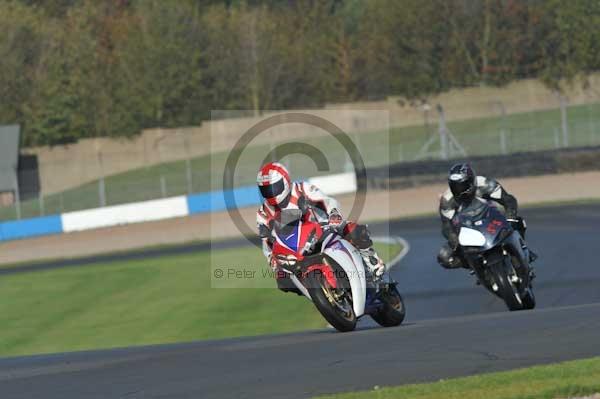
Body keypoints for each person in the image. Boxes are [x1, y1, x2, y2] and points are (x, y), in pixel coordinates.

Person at [256, 162, 385, 293]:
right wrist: (272, 260)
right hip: (296, 248)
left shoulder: (302, 189)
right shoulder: (263, 213)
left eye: (274, 188)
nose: (270, 193)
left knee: (353, 230)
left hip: (323, 229)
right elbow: (266, 242)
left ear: (285, 181)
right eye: (266, 190)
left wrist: (334, 215)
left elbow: (328, 201)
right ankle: (317, 292)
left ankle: (371, 260)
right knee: (283, 281)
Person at [437, 163, 535, 269]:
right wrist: (454, 240)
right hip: (468, 230)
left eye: (463, 185)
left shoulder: (485, 184)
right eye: (455, 186)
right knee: (444, 257)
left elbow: (508, 200)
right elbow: (446, 225)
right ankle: (476, 268)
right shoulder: (447, 199)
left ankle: (522, 251)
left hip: (493, 220)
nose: (459, 190)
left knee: (518, 222)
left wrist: (510, 217)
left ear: (471, 180)